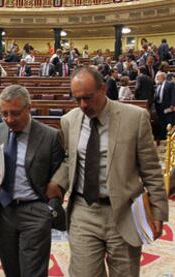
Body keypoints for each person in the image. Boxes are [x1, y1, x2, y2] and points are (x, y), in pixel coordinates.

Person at [48, 66, 168, 277]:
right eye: (78, 100)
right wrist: (57, 182)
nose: (83, 105)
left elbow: (151, 170)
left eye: (88, 97)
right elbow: (71, 160)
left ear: (103, 89)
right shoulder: (69, 121)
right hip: (84, 211)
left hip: (124, 211)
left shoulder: (135, 118)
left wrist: (158, 211)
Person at [0, 85, 64, 277]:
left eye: (15, 113)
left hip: (35, 211)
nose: (9, 119)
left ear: (29, 108)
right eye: (4, 114)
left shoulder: (50, 136)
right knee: (11, 270)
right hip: (4, 211)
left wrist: (49, 211)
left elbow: (61, 176)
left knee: (33, 272)